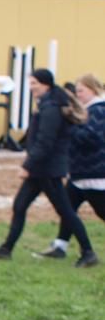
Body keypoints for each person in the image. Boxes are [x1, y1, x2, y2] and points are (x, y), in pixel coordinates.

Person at [0, 69, 97, 264]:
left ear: (46, 84)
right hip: (41, 169)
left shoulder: (51, 107)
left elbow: (45, 141)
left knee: (65, 211)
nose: (31, 87)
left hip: (47, 169)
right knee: (20, 206)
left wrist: (27, 165)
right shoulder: (47, 103)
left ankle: (88, 252)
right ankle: (6, 248)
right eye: (31, 83)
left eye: (35, 83)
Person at [37, 73, 105, 263]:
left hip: (94, 174)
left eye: (81, 91)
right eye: (76, 91)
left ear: (93, 90)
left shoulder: (99, 110)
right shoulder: (86, 109)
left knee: (99, 211)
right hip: (80, 173)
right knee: (67, 209)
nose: (78, 94)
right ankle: (60, 245)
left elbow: (93, 138)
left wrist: (70, 126)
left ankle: (79, 252)